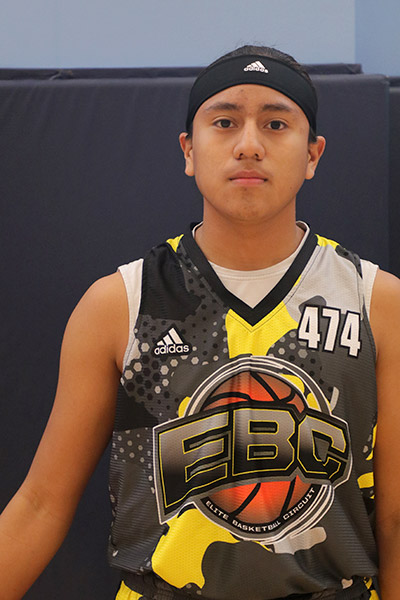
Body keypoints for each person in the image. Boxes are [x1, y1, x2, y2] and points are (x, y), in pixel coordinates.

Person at [1, 44, 399, 600]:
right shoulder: (119, 303)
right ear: (189, 149)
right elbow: (41, 504)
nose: (249, 144)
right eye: (225, 122)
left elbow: (396, 520)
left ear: (313, 154)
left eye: (276, 124)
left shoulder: (376, 301)